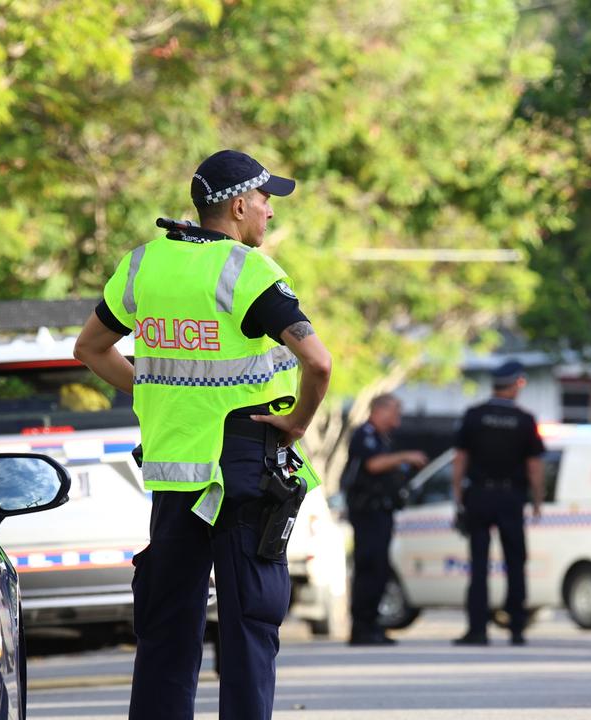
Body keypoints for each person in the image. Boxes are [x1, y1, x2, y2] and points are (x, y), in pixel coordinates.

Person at [73, 149, 332, 720]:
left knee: (166, 631)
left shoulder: (143, 264)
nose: (270, 214)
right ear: (239, 206)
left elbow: (90, 349)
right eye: (266, 202)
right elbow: (318, 363)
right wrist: (295, 424)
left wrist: (153, 392)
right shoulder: (248, 272)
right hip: (241, 470)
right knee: (247, 629)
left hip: (174, 477)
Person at [451, 359, 546, 646]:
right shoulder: (525, 420)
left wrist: (457, 493)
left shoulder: (474, 415)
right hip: (510, 497)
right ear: (516, 384)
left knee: (478, 564)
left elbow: (460, 459)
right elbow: (534, 466)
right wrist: (538, 499)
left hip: (479, 495)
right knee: (515, 562)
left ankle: (477, 629)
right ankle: (516, 628)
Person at [343, 393, 428, 645]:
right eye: (394, 414)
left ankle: (372, 625)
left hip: (381, 512)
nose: (397, 421)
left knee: (379, 569)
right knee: (369, 568)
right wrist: (405, 457)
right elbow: (373, 465)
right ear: (380, 411)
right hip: (367, 513)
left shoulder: (382, 438)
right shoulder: (364, 435)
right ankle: (361, 627)